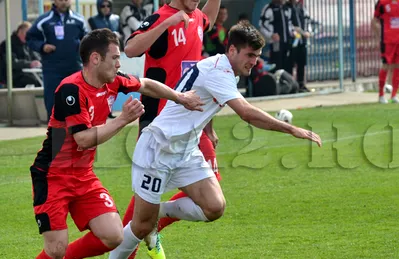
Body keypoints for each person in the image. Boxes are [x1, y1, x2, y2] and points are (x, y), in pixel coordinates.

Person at [109, 21, 322, 259]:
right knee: (140, 227)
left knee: (214, 207)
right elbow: (246, 113)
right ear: (232, 50)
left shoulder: (223, 68)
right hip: (159, 148)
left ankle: (157, 212)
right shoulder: (219, 71)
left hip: (185, 150)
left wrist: (208, 128)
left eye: (257, 56)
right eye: (249, 55)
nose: (254, 61)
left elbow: (205, 98)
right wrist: (291, 129)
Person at [30, 28, 203, 259]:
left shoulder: (113, 82)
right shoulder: (70, 90)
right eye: (114, 58)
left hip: (83, 175)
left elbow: (147, 84)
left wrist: (180, 97)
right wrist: (123, 119)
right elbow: (82, 139)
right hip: (52, 175)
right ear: (95, 59)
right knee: (56, 249)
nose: (119, 64)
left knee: (114, 236)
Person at [120, 0, 221, 257]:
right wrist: (166, 23)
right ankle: (131, 242)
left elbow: (207, 19)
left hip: (191, 122)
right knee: (146, 197)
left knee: (213, 194)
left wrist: (209, 126)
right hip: (159, 125)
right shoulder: (162, 17)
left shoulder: (196, 17)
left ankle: (151, 226)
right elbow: (130, 48)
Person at [26, 0, 88, 120]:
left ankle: (77, 134)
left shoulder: (79, 19)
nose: (64, 2)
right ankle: (55, 135)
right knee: (53, 102)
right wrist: (42, 46)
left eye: (66, 0)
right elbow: (30, 38)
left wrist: (82, 47)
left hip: (74, 67)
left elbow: (88, 39)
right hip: (52, 69)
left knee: (77, 101)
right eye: (60, 0)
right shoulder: (44, 20)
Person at [88, 0, 122, 119]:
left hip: (113, 54)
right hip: (100, 55)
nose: (106, 8)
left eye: (108, 6)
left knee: (111, 83)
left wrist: (117, 35)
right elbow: (91, 37)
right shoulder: (92, 20)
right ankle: (97, 110)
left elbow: (122, 34)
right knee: (99, 83)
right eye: (103, 6)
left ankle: (108, 109)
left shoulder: (116, 18)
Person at [372, 0, 399, 104]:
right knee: (386, 65)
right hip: (387, 40)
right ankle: (381, 95)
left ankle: (394, 95)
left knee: (398, 66)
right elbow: (375, 20)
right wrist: (378, 37)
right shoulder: (382, 3)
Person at [0, 21, 42, 88]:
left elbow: (36, 56)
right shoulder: (7, 44)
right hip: (13, 76)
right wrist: (29, 64)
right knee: (35, 81)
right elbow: (12, 62)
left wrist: (40, 62)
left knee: (44, 78)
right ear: (20, 31)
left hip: (26, 74)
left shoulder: (27, 44)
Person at [259, 0, 294, 76]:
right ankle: (276, 85)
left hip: (287, 42)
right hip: (276, 43)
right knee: (277, 64)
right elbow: (262, 25)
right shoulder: (269, 8)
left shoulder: (287, 8)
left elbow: (289, 24)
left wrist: (292, 32)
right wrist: (271, 35)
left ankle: (287, 85)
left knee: (288, 65)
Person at [286, 0, 311, 92]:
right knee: (290, 64)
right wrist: (294, 31)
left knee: (301, 64)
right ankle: (291, 86)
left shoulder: (301, 8)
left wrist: (307, 31)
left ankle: (301, 84)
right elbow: (287, 23)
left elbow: (307, 21)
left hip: (302, 41)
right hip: (292, 42)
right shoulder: (287, 7)